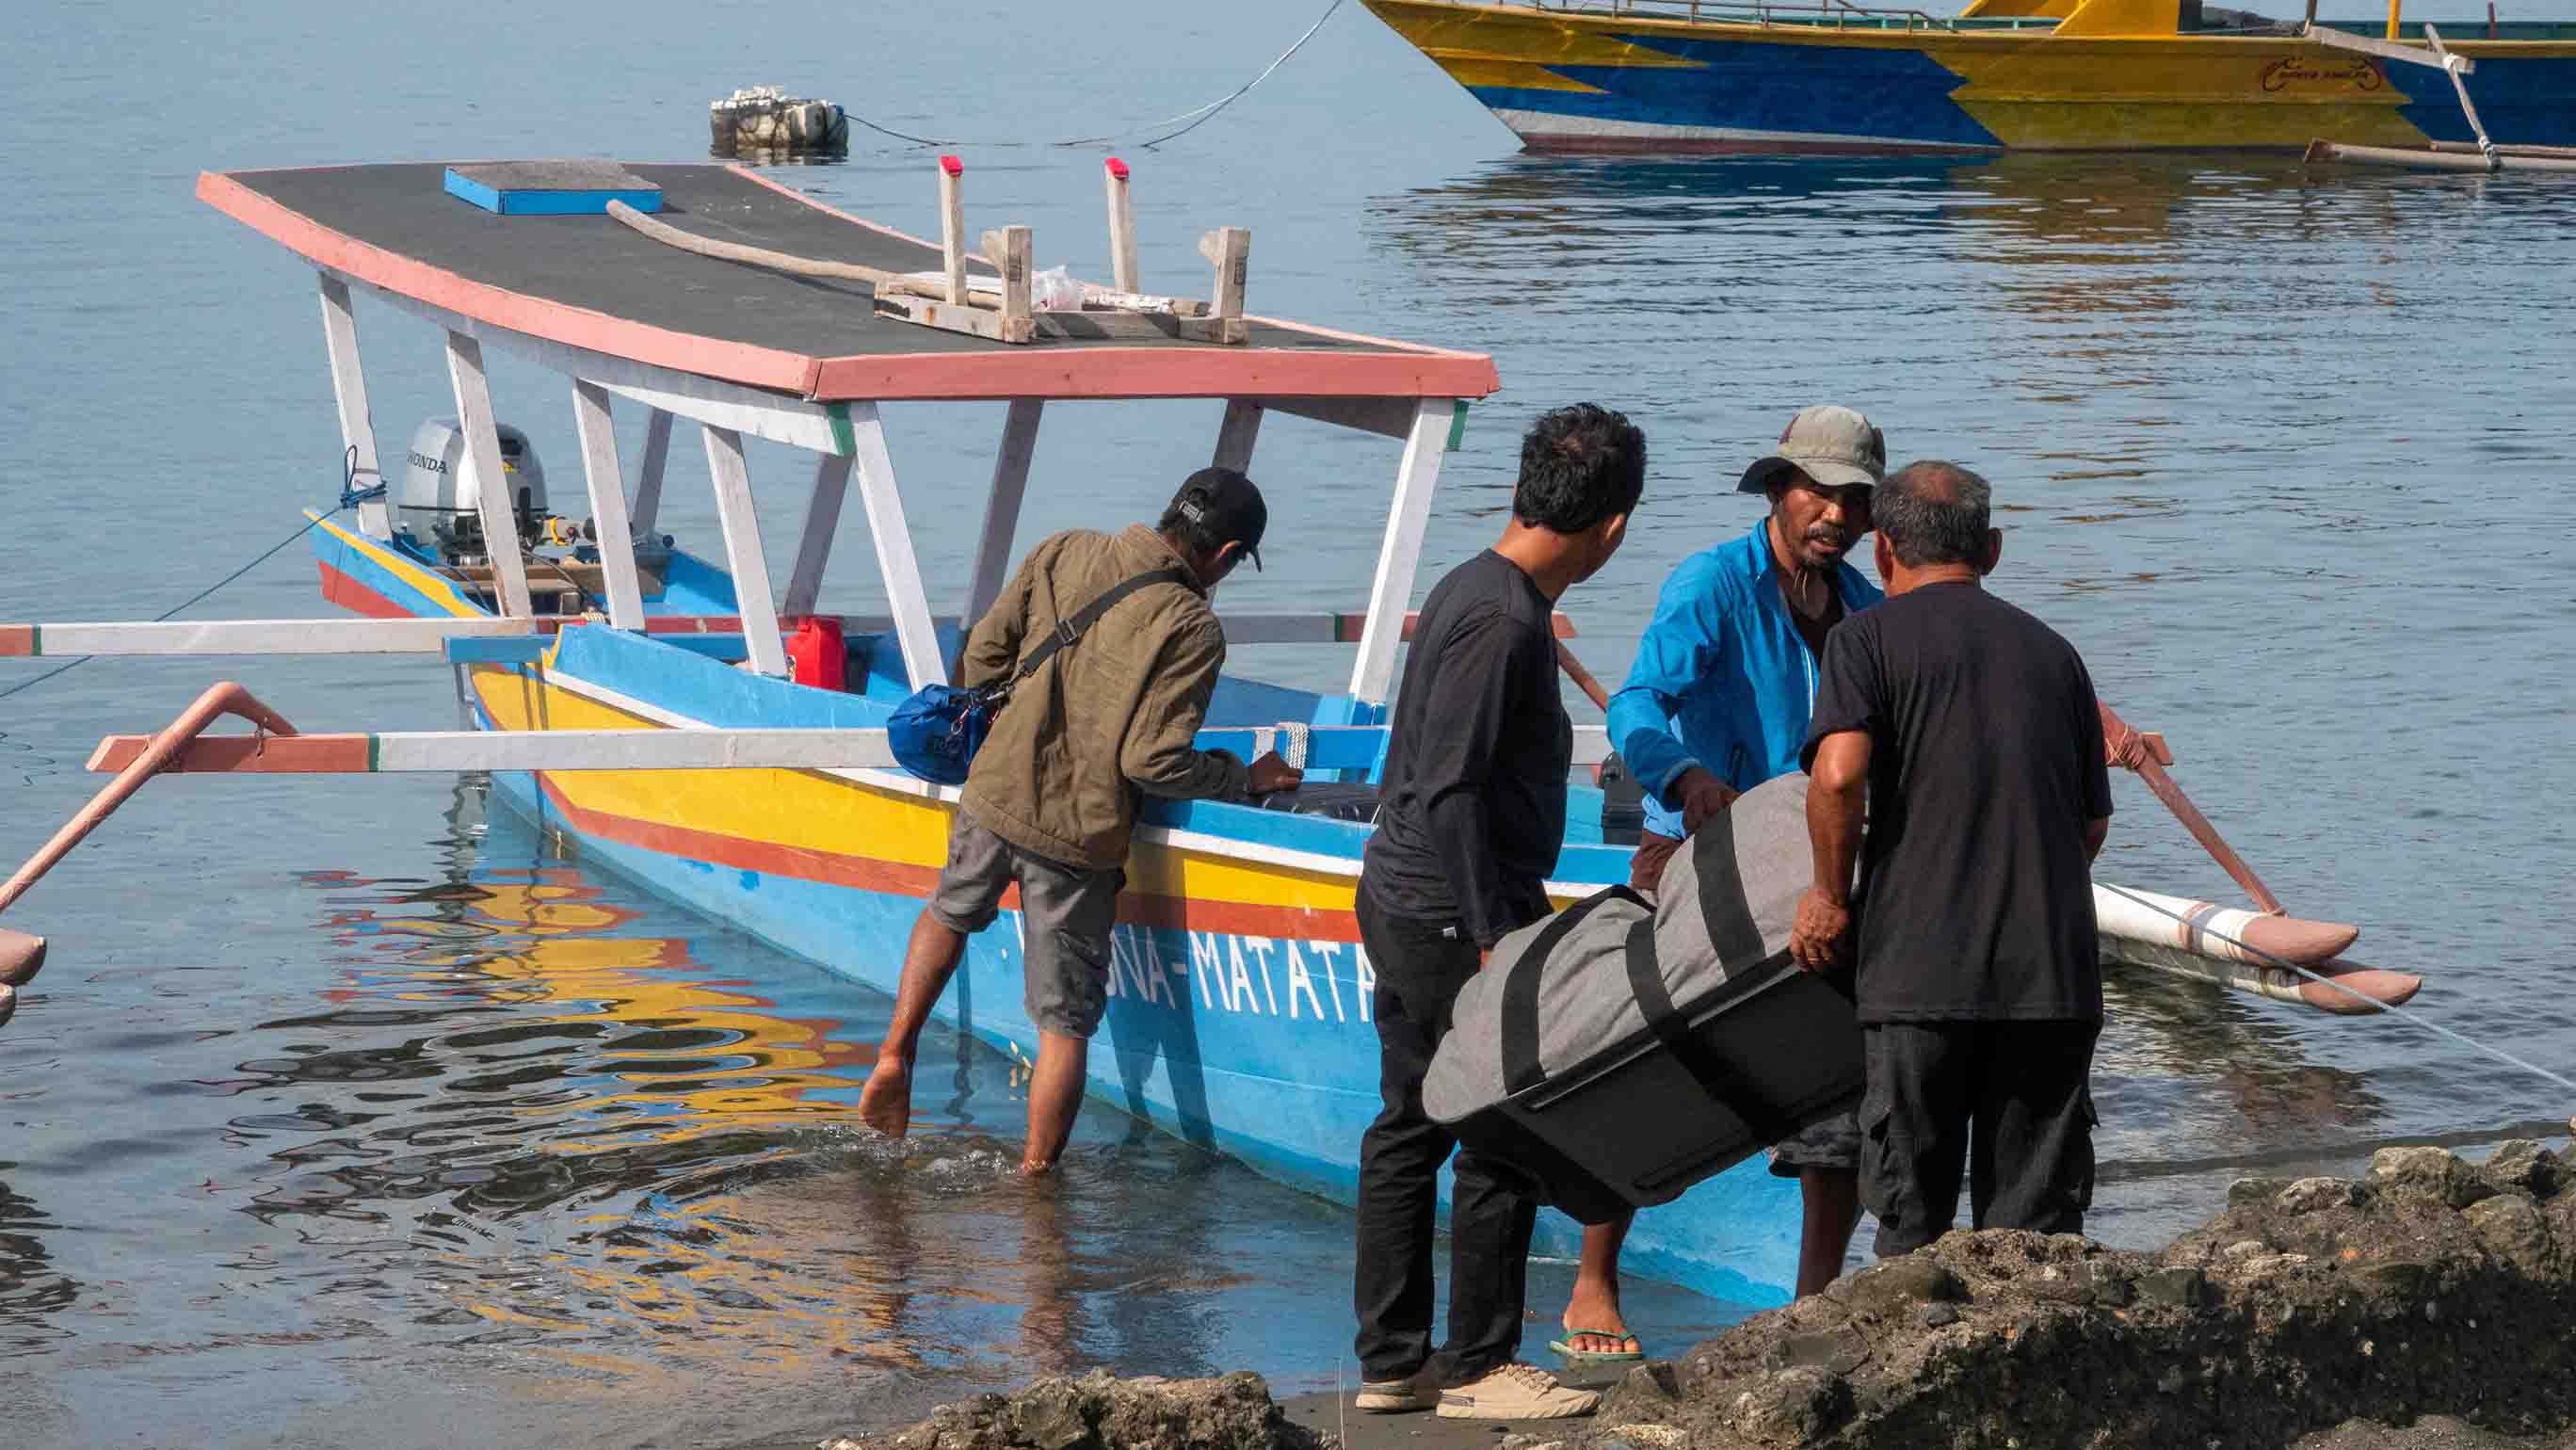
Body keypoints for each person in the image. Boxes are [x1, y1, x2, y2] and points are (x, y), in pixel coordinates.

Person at [857, 468, 1303, 1173]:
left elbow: (981, 659)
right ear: (1225, 556)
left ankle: (894, 1051)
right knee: (1062, 1025)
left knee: (949, 912)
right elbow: (1151, 762)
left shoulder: (1064, 550)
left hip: (994, 792)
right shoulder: (1193, 628)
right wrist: (1241, 777)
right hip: (1076, 836)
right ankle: (1036, 1183)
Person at [1562, 405, 1885, 1360]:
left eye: (1855, 499)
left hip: (1818, 865)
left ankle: (1813, 1302)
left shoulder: (1864, 606)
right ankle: (1593, 1282)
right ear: (1778, 490)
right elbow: (1637, 703)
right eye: (1818, 493)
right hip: (1695, 851)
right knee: (1652, 1054)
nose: (1835, 514)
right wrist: (1684, 775)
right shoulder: (1713, 582)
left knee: (1841, 1074)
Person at [1351, 403, 1645, 1421]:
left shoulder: (1473, 586)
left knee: (1412, 1121)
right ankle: (1477, 1367)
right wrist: (1491, 936)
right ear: (1613, 528)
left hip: (1413, 891)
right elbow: (1450, 787)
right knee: (1498, 1128)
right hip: (1447, 907)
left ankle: (1395, 1363)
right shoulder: (1506, 619)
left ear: (1521, 488)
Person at [1791, 460, 2114, 1258]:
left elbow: (1838, 775)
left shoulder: (1864, 639)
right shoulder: (2056, 653)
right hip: (2050, 981)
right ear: (1991, 550)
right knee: (2035, 1245)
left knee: (1912, 1232)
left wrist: (1829, 898)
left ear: (1883, 552)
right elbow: (2090, 825)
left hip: (1919, 977)